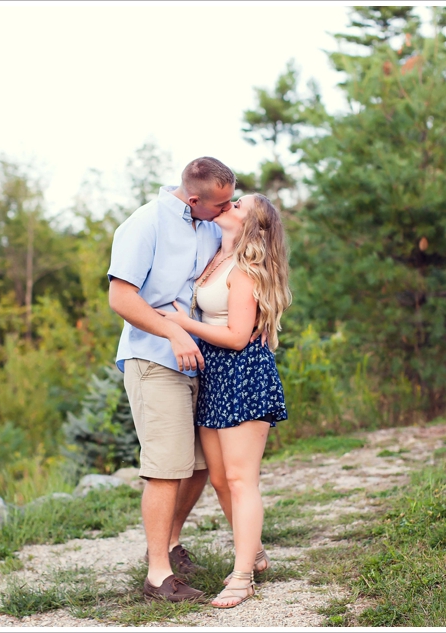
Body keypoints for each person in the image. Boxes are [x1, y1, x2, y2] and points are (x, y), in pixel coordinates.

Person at [107, 157, 236, 602]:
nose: (226, 211)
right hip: (154, 358)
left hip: (201, 360)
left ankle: (170, 544)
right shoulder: (144, 223)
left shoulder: (211, 223)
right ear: (194, 199)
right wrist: (173, 330)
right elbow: (121, 297)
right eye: (220, 205)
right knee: (166, 468)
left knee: (200, 464)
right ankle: (158, 577)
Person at [156, 192, 291, 608]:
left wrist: (182, 322)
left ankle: (242, 576)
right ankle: (256, 550)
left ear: (253, 225)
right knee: (219, 478)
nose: (227, 205)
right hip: (214, 374)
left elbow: (236, 335)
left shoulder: (246, 270)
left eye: (237, 205)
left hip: (243, 374)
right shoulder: (215, 254)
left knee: (239, 479)